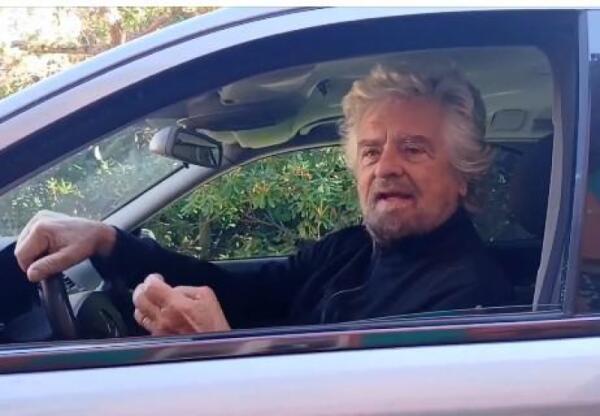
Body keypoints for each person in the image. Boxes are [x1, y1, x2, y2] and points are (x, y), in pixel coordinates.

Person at [13, 65, 514, 336]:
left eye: (413, 149)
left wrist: (219, 350)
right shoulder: (351, 249)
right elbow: (244, 293)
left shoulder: (469, 301)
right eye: (370, 151)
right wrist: (108, 241)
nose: (384, 167)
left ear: (463, 174)